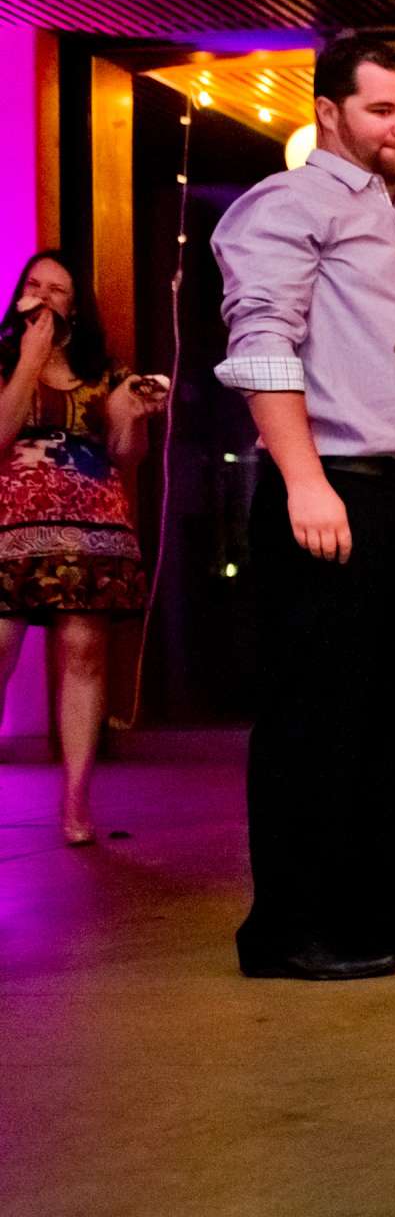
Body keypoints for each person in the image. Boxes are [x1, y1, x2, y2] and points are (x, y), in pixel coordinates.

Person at [211, 33, 395, 981]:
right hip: (335, 486)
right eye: (380, 110)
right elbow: (263, 339)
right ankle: (285, 928)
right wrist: (303, 479)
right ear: (329, 112)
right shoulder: (288, 202)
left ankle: (366, 902)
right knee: (314, 716)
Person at [0, 252, 166, 843]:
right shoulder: (4, 358)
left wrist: (138, 413)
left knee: (82, 650)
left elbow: (126, 454)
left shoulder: (107, 370)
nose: (44, 298)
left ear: (75, 305)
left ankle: (75, 802)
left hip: (91, 522)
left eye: (58, 291)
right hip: (10, 523)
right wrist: (29, 359)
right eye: (34, 287)